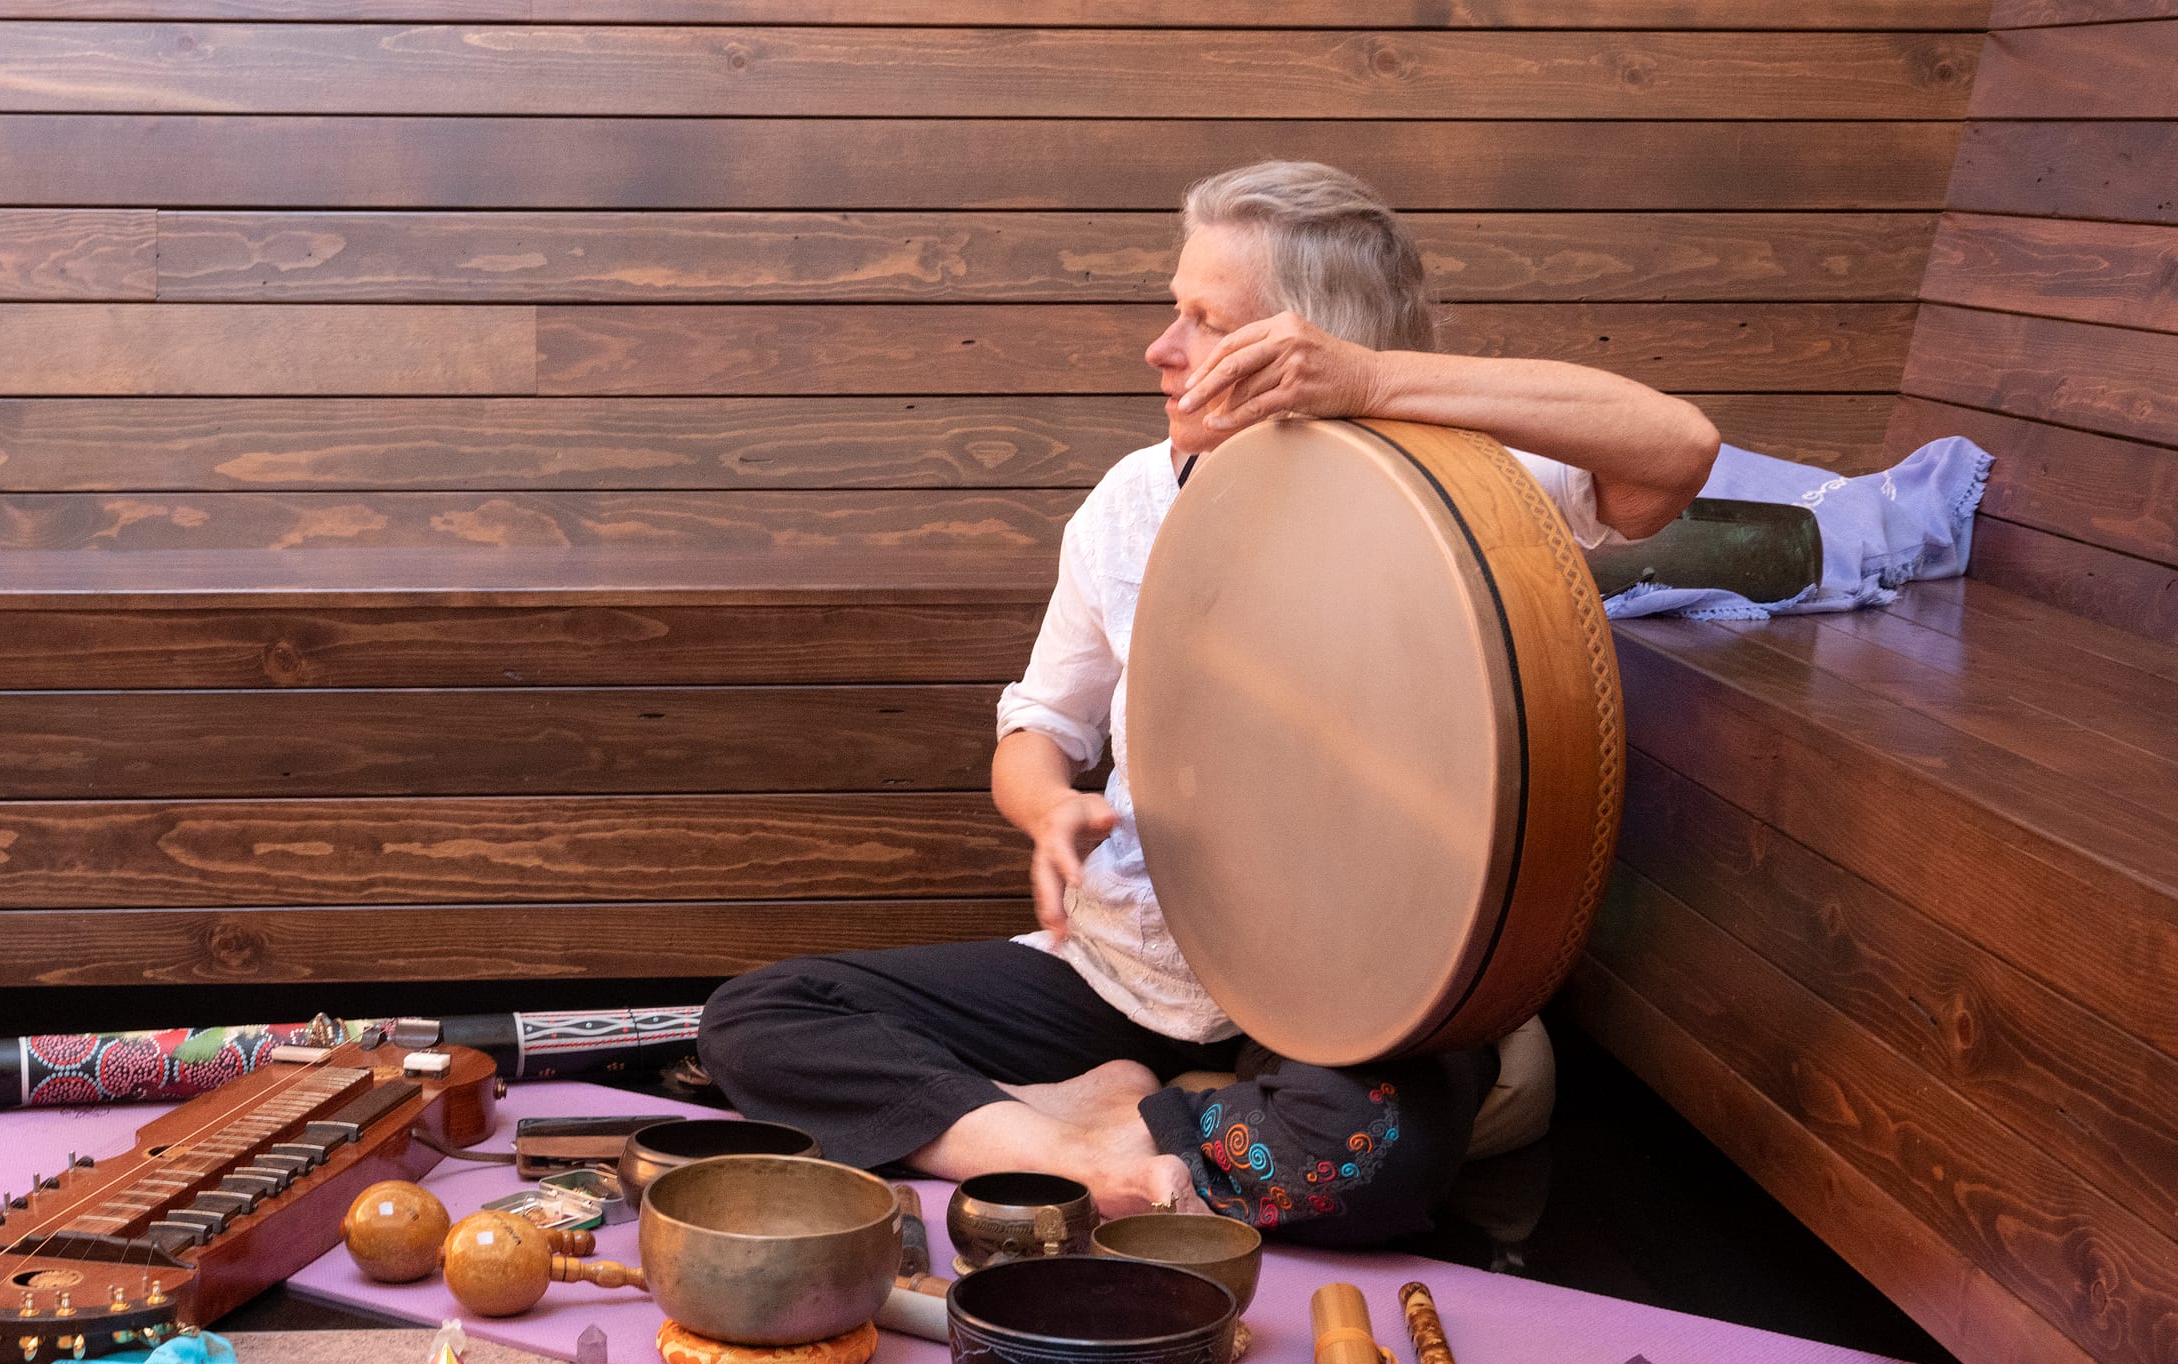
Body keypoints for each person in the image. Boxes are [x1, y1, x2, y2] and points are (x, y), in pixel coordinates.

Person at [696, 161, 1719, 1239]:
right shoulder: (1129, 502)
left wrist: (1371, 383)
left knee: (1373, 1158)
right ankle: (1081, 1144)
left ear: (1305, 345)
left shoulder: (1472, 487)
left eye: (1202, 319)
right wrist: (1047, 807)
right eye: (1170, 308)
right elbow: (1037, 726)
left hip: (1362, 990)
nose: (1160, 348)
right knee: (761, 1017)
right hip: (1125, 969)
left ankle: (1081, 1129)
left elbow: (1676, 448)